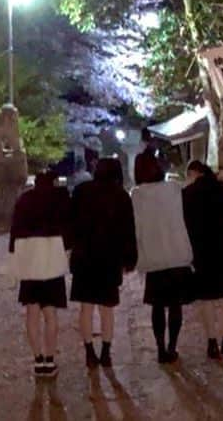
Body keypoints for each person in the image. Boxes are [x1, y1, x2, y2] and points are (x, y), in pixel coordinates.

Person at [68, 156, 138, 369]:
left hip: (84, 257)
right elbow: (128, 231)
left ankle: (89, 351)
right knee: (107, 308)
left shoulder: (81, 192)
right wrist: (129, 259)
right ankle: (106, 352)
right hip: (109, 258)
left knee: (86, 308)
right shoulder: (121, 196)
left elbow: (71, 224)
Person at [9, 169, 72, 379]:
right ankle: (50, 359)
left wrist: (14, 255)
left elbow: (14, 231)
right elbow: (68, 229)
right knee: (50, 314)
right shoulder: (58, 200)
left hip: (29, 260)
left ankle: (37, 360)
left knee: (32, 313)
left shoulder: (24, 200)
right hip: (51, 260)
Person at [182, 159, 223, 360]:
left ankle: (211, 343)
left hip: (202, 253)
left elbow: (186, 227)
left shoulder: (188, 194)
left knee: (206, 300)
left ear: (194, 173)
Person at [131, 163, 194, 364]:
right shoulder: (174, 189)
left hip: (154, 256)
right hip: (176, 254)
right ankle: (172, 347)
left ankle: (160, 348)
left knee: (157, 306)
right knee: (175, 305)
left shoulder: (137, 195)